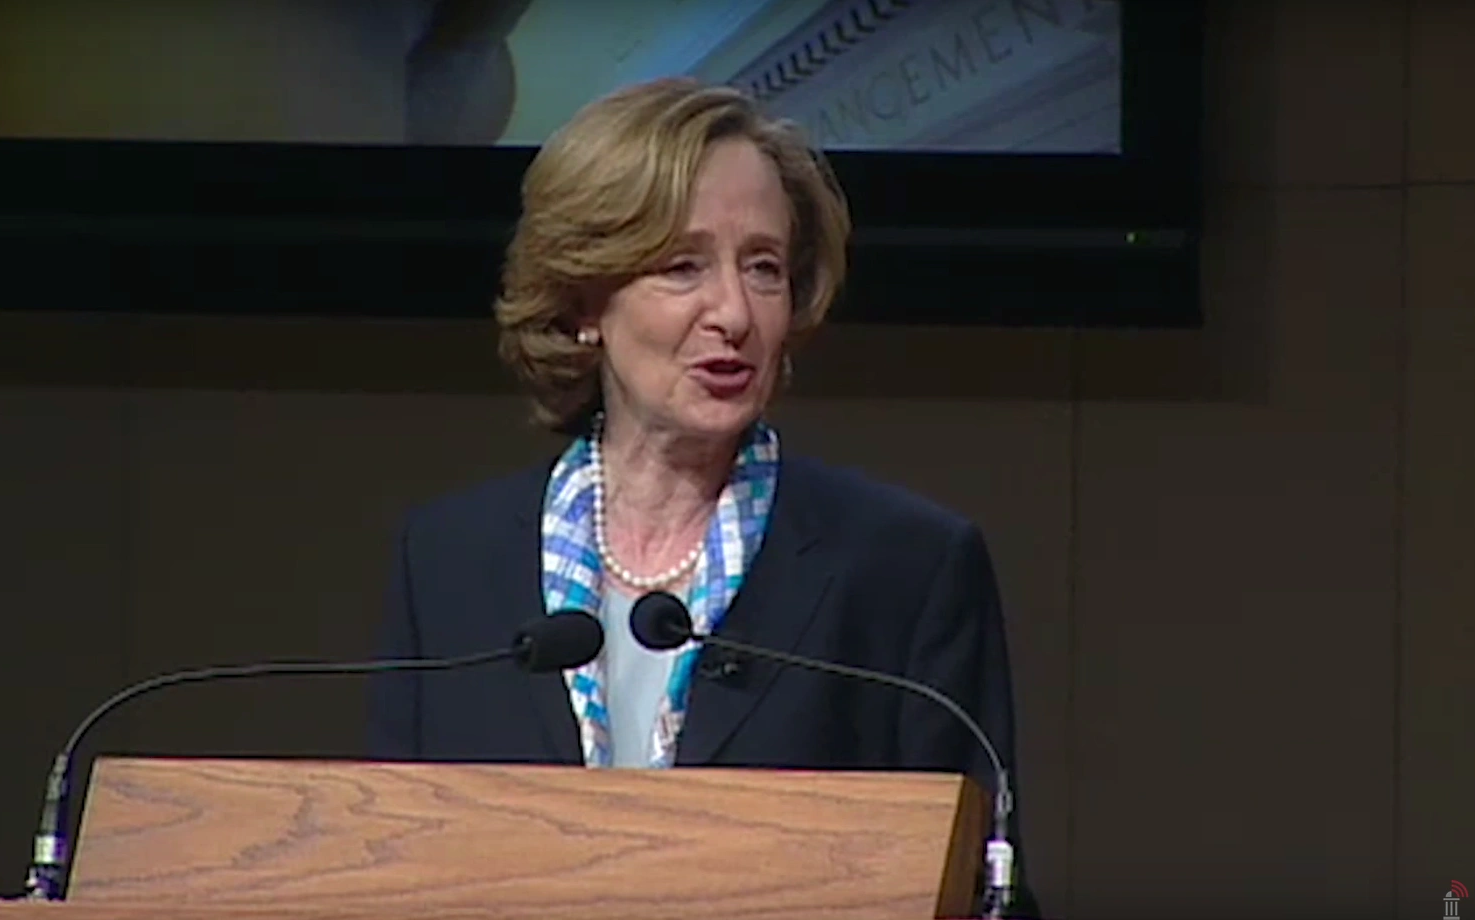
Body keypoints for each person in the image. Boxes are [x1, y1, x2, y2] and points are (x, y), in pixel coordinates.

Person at [367, 76, 1037, 917]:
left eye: (762, 267)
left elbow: (983, 890)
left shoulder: (905, 567)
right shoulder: (447, 560)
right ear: (583, 301)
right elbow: (387, 870)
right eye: (683, 266)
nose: (734, 312)